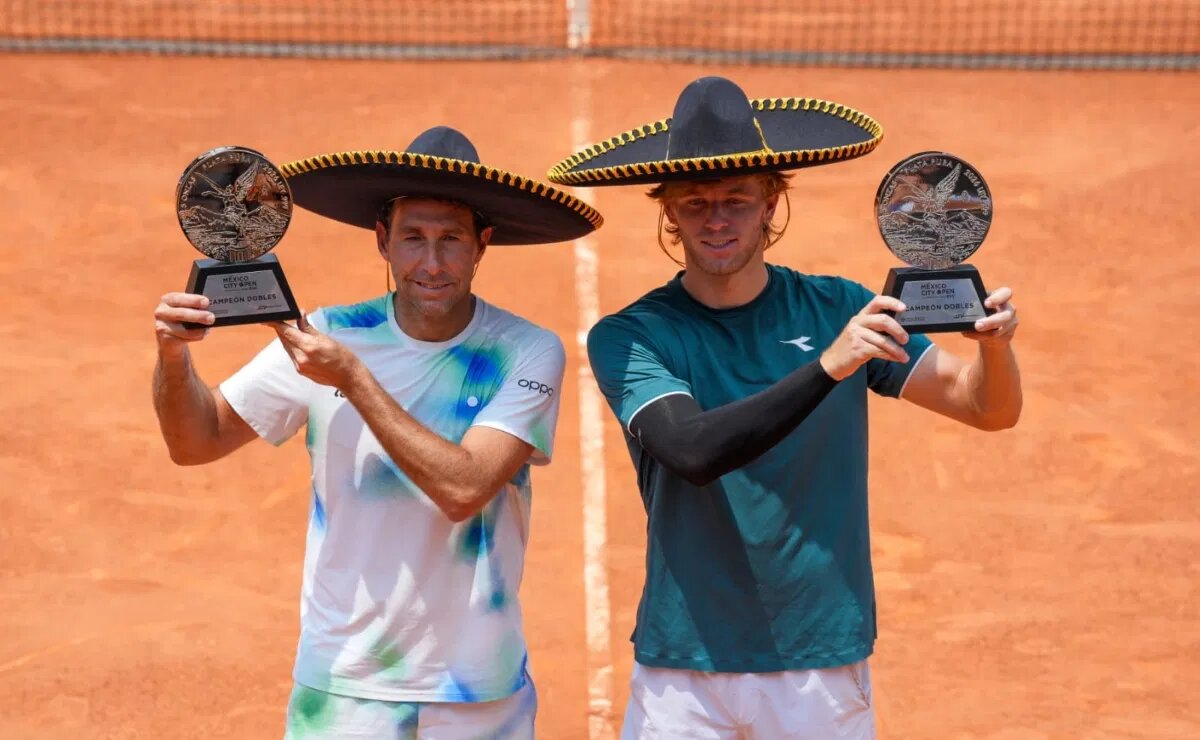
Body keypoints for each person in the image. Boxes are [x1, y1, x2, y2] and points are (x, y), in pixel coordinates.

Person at [549, 77, 1021, 738]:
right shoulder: (632, 336)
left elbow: (985, 408)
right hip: (685, 668)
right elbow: (691, 450)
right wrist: (831, 366)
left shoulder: (836, 307)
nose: (717, 220)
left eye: (737, 200)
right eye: (696, 203)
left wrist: (995, 348)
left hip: (819, 664)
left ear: (771, 202)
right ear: (669, 213)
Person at [153, 126, 602, 739]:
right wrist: (174, 357)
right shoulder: (329, 333)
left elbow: (464, 488)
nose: (432, 263)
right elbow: (195, 442)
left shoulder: (525, 351)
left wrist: (353, 379)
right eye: (413, 238)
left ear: (482, 245)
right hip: (344, 687)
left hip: (476, 691)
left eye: (451, 240)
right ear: (384, 241)